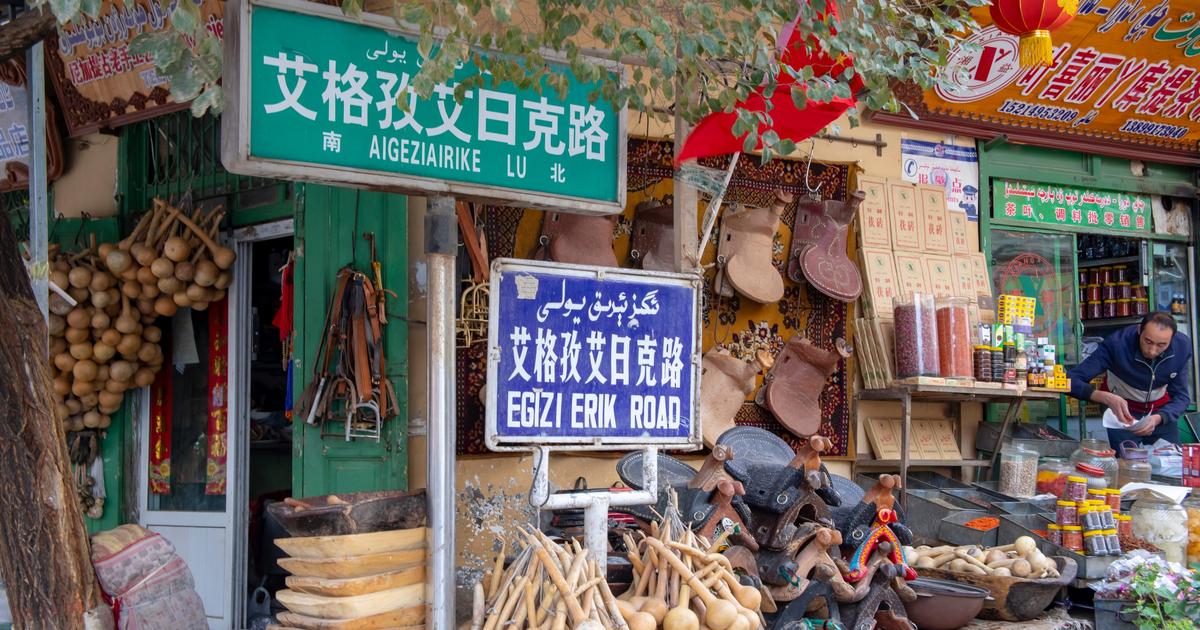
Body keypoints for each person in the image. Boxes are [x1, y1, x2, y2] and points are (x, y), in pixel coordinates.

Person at [1068, 311, 1192, 449]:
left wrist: (1159, 418)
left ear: (1172, 338)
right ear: (1139, 330)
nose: (1152, 351)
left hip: (1161, 413)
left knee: (1171, 460)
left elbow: (1182, 397)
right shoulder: (1117, 344)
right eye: (1148, 341)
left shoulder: (1182, 347)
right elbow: (1070, 380)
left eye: (1161, 345)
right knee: (1127, 460)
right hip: (1121, 413)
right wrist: (1103, 397)